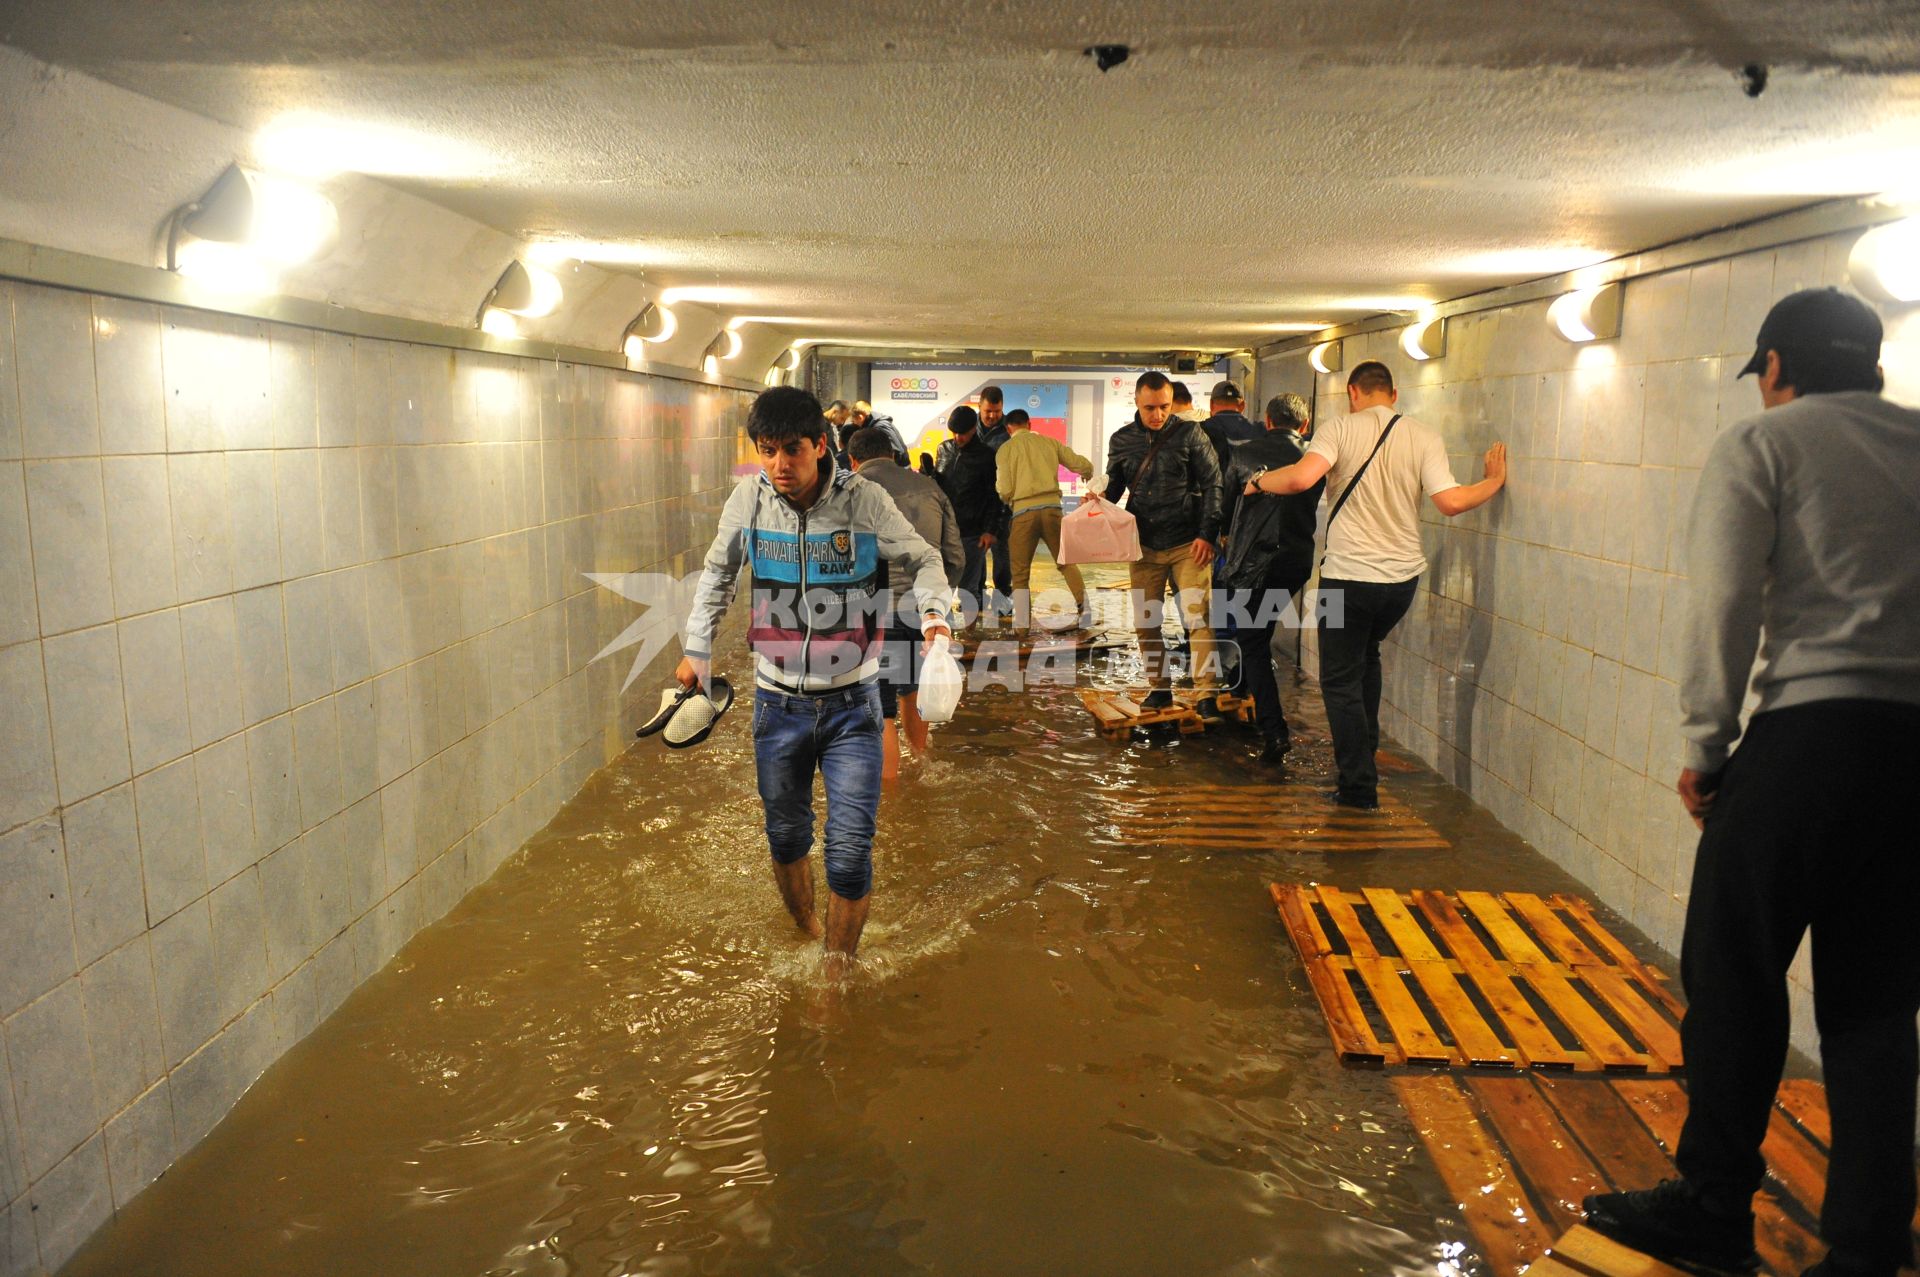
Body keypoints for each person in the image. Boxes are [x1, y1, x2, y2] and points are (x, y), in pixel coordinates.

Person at [1582, 289, 1920, 1277]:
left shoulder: (1763, 445)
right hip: (1915, 753)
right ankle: (1865, 1243)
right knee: (1875, 1000)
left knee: (1732, 973)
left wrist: (1708, 744)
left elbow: (1725, 599)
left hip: (1810, 739)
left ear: (1774, 365)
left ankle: (1712, 1203)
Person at [679, 387, 952, 968]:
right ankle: (808, 928)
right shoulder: (747, 502)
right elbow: (717, 573)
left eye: (793, 450)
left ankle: (835, 970)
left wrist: (936, 619)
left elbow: (925, 558)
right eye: (767, 451)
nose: (780, 465)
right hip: (777, 707)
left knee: (850, 855)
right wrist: (697, 648)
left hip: (855, 704)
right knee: (786, 839)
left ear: (822, 446)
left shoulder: (865, 501)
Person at [1247, 360, 1505, 807]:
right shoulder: (1424, 435)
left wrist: (1256, 481)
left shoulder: (1340, 429)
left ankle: (1358, 788)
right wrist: (1494, 480)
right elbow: (1449, 502)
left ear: (1352, 392)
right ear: (1394, 393)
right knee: (1367, 658)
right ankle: (1363, 761)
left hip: (1349, 577)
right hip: (1402, 581)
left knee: (1339, 680)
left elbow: (1301, 478)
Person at [1102, 370, 1225, 720]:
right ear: (1137, 403)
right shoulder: (1122, 440)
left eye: (1164, 407)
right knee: (1146, 621)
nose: (1157, 415)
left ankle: (1206, 693)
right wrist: (1097, 503)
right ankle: (1159, 688)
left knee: (1197, 618)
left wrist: (1208, 534)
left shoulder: (1191, 434)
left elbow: (1214, 485)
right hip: (1144, 545)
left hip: (1190, 542)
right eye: (1150, 408)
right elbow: (1114, 490)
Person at [847, 424, 965, 778]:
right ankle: (919, 761)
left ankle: (893, 799)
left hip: (874, 614)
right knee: (915, 689)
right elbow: (954, 556)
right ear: (894, 455)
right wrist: (938, 606)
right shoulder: (929, 487)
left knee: (879, 711)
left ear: (853, 460)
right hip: (923, 613)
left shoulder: (850, 491)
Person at [1218, 394, 1324, 765]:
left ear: (1266, 420)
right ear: (1304, 424)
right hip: (1296, 561)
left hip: (1254, 561)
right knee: (1258, 630)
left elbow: (1226, 506)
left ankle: (1274, 731)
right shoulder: (1315, 456)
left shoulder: (1244, 453)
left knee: (1252, 637)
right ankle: (1242, 683)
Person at [994, 408, 1095, 632]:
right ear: (1029, 424)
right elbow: (1081, 464)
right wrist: (1087, 472)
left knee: (1020, 573)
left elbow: (1004, 488)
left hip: (1022, 513)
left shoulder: (1005, 450)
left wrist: (1011, 498)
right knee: (1065, 562)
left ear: (1008, 428)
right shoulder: (1050, 442)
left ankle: (1022, 628)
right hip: (1052, 510)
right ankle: (1084, 608)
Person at [935, 405, 1009, 627]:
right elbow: (938, 489)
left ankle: (971, 636)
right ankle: (943, 634)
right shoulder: (943, 450)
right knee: (941, 586)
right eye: (954, 433)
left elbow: (994, 498)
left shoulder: (987, 457)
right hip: (944, 530)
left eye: (963, 433)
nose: (958, 438)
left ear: (973, 430)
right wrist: (929, 473)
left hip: (973, 532)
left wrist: (990, 530)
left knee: (969, 589)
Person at [977, 386, 1015, 619]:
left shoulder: (1008, 431)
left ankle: (1002, 598)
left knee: (1003, 553)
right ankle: (977, 597)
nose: (992, 416)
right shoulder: (970, 428)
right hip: (977, 501)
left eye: (997, 411)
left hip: (1003, 501)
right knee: (976, 552)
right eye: (988, 411)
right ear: (980, 407)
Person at [849, 400, 910, 465]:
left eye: (853, 420)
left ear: (860, 417)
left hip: (897, 469)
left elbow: (896, 451)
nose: (854, 423)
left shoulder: (879, 427)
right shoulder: (877, 425)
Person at [824, 399, 853, 466]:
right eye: (842, 418)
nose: (842, 422)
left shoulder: (830, 427)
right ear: (834, 412)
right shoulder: (818, 425)